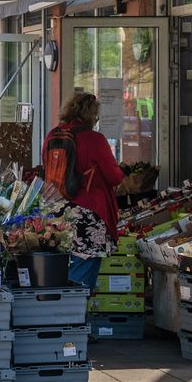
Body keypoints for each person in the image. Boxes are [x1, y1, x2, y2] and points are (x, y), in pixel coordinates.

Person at [47, 92, 124, 290]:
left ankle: (57, 305)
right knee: (82, 274)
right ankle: (72, 307)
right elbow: (115, 177)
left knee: (59, 268)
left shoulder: (53, 135)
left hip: (56, 211)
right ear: (91, 115)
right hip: (88, 213)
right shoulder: (94, 139)